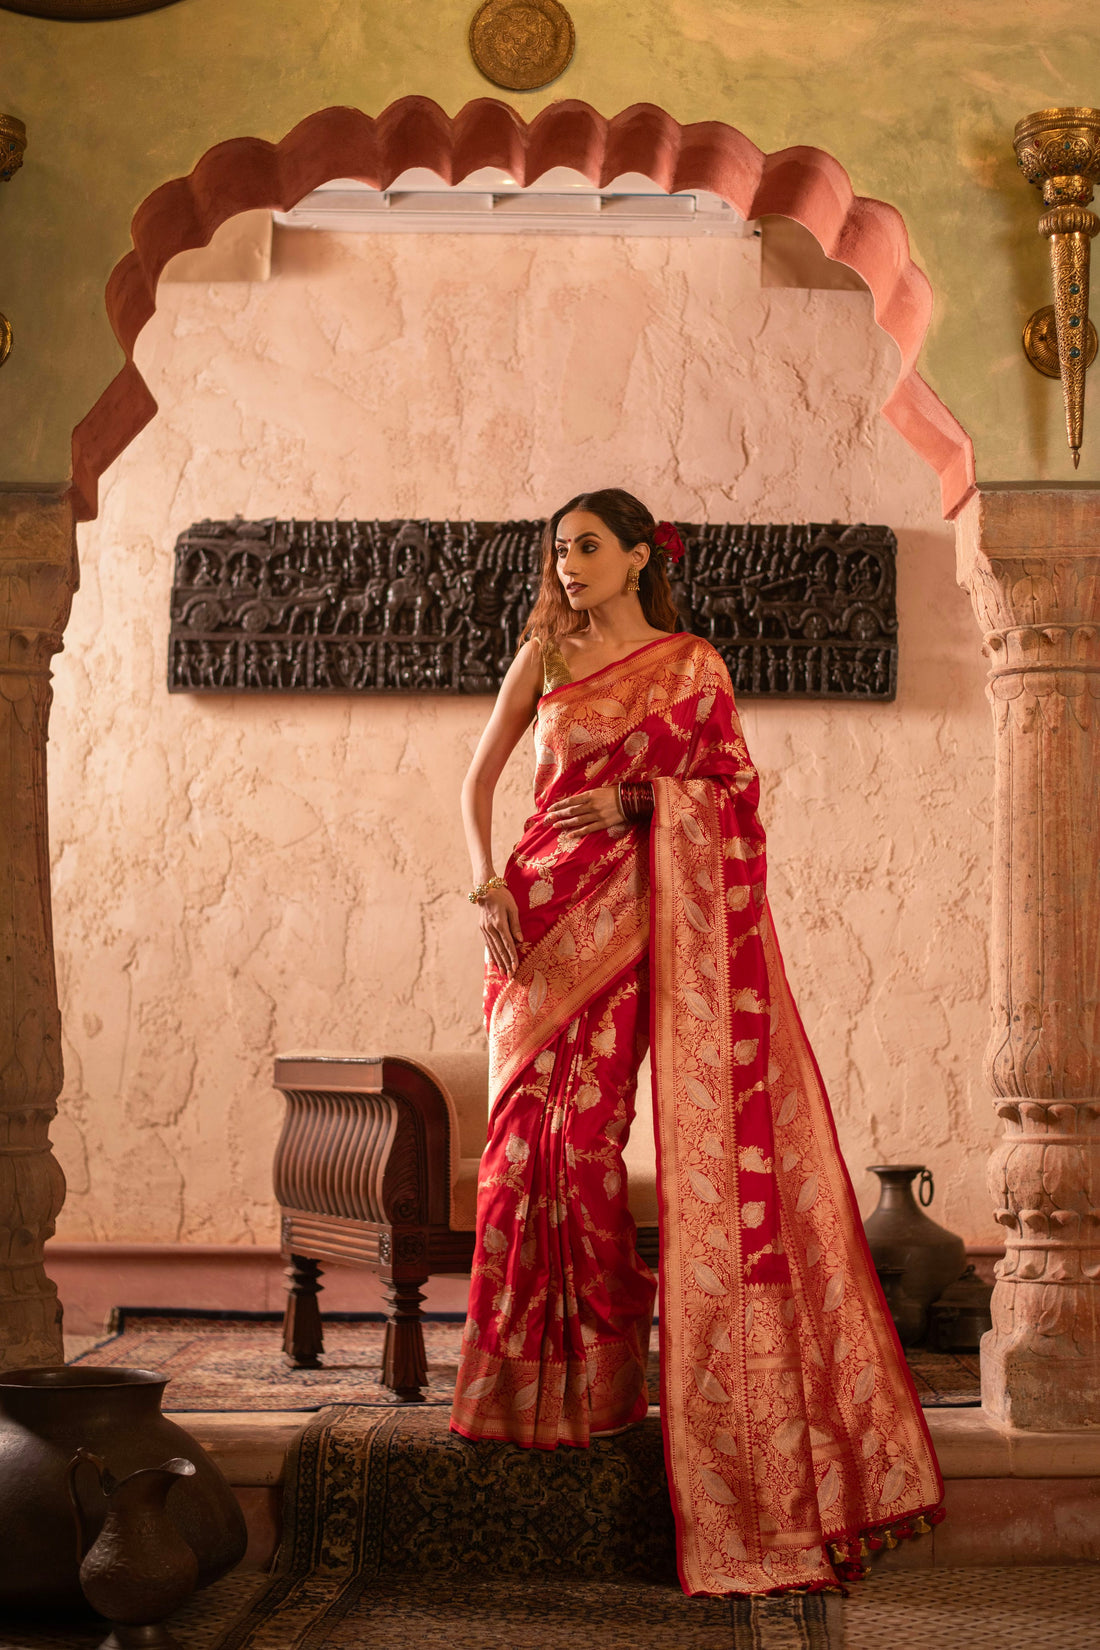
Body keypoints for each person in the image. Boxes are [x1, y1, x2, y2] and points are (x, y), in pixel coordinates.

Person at [449, 488, 942, 1596]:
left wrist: (635, 801)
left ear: (636, 556)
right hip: (533, 927)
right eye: (557, 551)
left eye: (585, 548)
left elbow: (733, 798)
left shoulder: (690, 667)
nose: (566, 567)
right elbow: (477, 778)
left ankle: (605, 1388)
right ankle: (522, 1392)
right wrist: (486, 886)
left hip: (636, 928)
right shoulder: (543, 651)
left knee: (581, 1153)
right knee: (519, 1156)